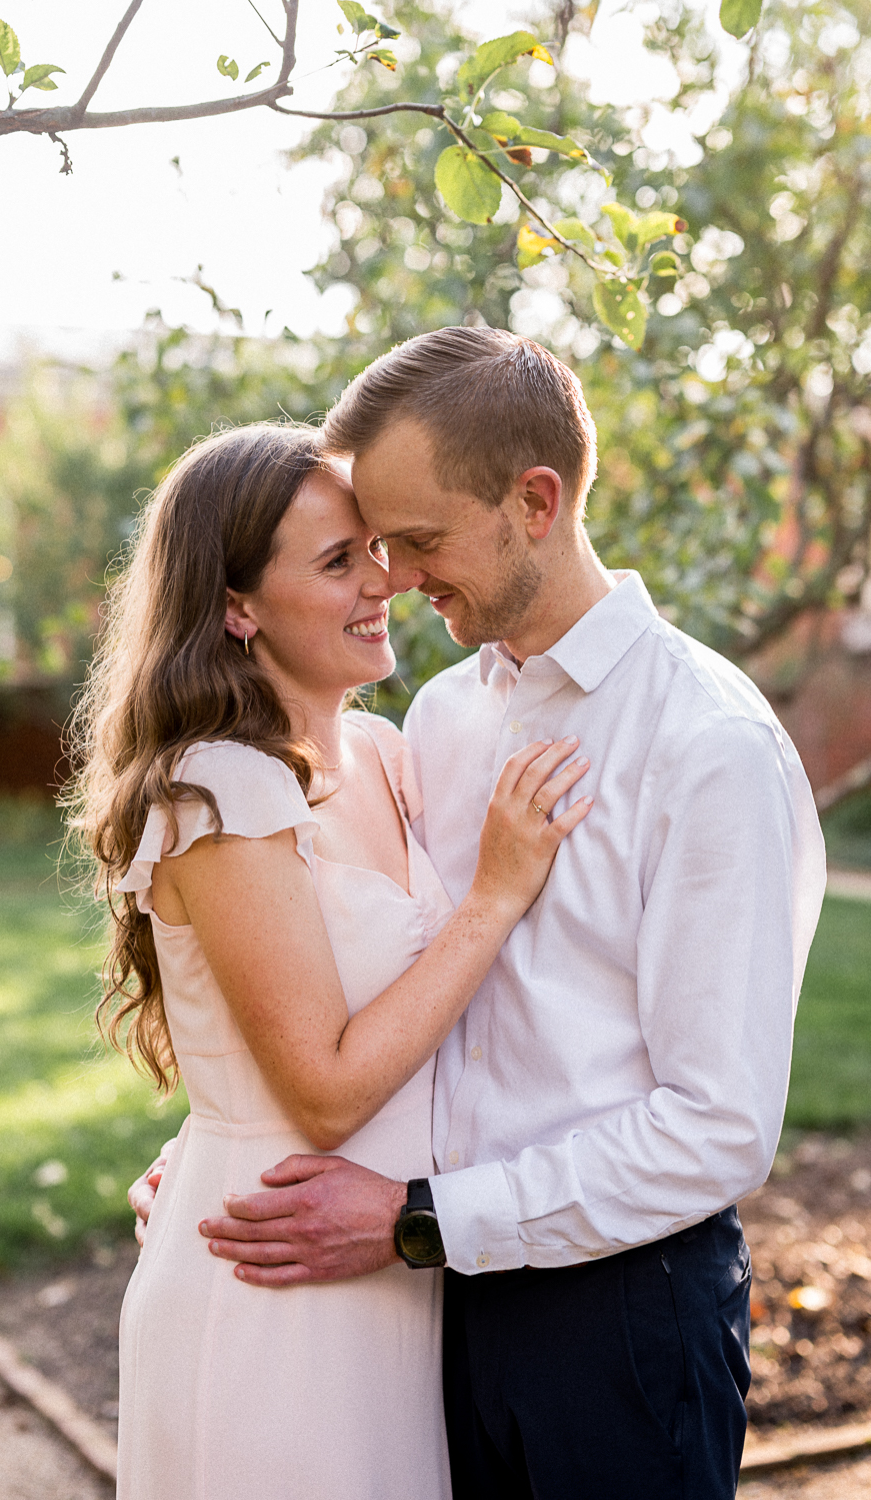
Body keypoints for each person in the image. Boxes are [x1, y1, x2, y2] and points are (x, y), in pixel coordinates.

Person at [136, 329, 826, 1500]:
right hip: (428, 1304)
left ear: (536, 501)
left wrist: (421, 1221)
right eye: (370, 546)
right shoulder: (442, 721)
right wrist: (235, 1137)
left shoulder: (706, 744)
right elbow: (397, 985)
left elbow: (718, 1127)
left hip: (610, 1317)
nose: (395, 576)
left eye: (416, 540)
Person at [71, 420, 593, 1500]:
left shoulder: (390, 757)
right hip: (276, 1281)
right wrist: (494, 894)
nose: (383, 582)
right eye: (337, 560)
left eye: (378, 549)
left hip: (387, 1264)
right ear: (235, 607)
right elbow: (319, 1093)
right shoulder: (219, 787)